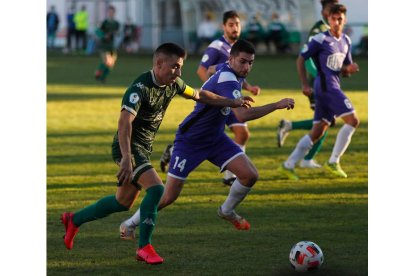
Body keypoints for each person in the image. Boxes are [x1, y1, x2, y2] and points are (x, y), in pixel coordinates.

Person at [60, 42, 253, 265]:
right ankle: (144, 247)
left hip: (142, 148)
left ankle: (73, 219)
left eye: (180, 67)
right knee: (156, 189)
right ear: (159, 63)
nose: (179, 73)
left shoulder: (174, 84)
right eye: (174, 67)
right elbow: (124, 123)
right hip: (129, 146)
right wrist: (125, 157)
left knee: (122, 202)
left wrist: (232, 101)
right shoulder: (139, 89)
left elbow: (200, 95)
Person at [119, 39, 294, 241]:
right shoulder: (228, 79)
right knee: (168, 197)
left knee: (250, 175)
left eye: (250, 63)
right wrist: (276, 105)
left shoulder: (227, 69)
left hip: (216, 138)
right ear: (231, 59)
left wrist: (217, 81)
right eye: (243, 62)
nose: (246, 67)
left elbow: (211, 69)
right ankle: (129, 224)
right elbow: (242, 116)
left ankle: (226, 211)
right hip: (190, 141)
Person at [160, 10, 261, 186]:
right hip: (219, 101)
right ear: (224, 26)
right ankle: (178, 150)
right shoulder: (217, 46)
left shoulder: (241, 50)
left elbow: (232, 77)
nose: (235, 27)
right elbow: (204, 70)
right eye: (231, 24)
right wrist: (215, 93)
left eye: (237, 24)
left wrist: (249, 87)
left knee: (242, 134)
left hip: (231, 99)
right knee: (236, 131)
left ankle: (230, 175)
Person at [278, 4, 359, 180]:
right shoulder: (320, 38)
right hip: (325, 87)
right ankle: (333, 161)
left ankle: (288, 164)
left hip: (334, 85)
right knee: (353, 120)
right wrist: (304, 84)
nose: (336, 22)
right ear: (328, 19)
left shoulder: (346, 41)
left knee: (318, 131)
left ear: (344, 20)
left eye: (340, 19)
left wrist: (349, 69)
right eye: (333, 19)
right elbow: (301, 59)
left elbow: (342, 70)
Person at [276, 0, 338, 169]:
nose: (334, 11)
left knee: (325, 121)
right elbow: (307, 57)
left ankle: (291, 130)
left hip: (328, 83)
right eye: (330, 7)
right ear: (324, 10)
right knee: (325, 121)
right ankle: (304, 159)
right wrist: (318, 76)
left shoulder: (332, 30)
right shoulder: (318, 30)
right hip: (318, 84)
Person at [94, 5, 120, 83]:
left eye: (112, 12)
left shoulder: (116, 23)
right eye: (109, 12)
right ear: (107, 13)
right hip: (103, 45)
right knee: (107, 61)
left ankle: (100, 74)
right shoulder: (104, 22)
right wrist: (103, 36)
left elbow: (118, 33)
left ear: (114, 13)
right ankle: (101, 76)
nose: (111, 13)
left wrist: (116, 33)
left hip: (111, 45)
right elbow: (97, 31)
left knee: (111, 63)